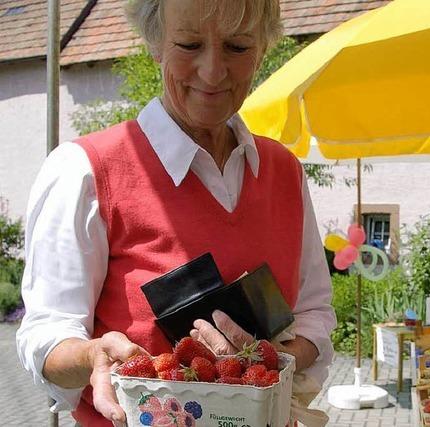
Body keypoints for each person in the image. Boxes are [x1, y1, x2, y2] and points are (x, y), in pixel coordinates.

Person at [16, 1, 336, 425]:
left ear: (262, 50)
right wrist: (91, 354)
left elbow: (314, 313)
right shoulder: (85, 170)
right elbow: (46, 334)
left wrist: (270, 362)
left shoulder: (285, 172)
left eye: (238, 47)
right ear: (155, 44)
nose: (212, 70)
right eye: (189, 44)